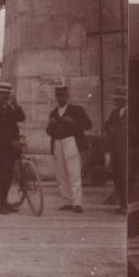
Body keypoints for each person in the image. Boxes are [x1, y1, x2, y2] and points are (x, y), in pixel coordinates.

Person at [46, 83, 92, 213]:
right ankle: (66, 201)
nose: (60, 98)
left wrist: (74, 122)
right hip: (57, 143)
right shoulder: (53, 112)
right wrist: (50, 125)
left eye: (62, 96)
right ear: (56, 97)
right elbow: (48, 131)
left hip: (71, 141)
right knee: (61, 174)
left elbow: (88, 124)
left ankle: (77, 203)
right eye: (58, 96)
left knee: (74, 172)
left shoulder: (76, 109)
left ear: (67, 96)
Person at [0, 81, 25, 214]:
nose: (5, 96)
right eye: (3, 94)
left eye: (7, 94)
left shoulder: (10, 107)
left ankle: (3, 202)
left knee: (7, 176)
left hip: (10, 148)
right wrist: (11, 142)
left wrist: (16, 105)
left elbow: (21, 118)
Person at [103, 85, 129, 214]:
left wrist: (115, 129)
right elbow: (107, 125)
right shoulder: (115, 112)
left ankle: (126, 205)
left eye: (118, 99)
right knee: (117, 177)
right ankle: (123, 204)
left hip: (125, 150)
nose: (116, 101)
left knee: (125, 178)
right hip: (115, 150)